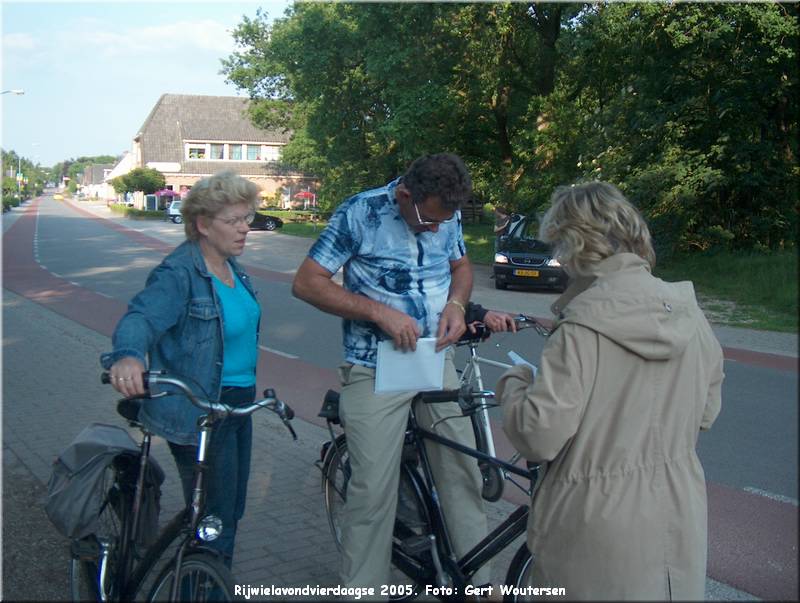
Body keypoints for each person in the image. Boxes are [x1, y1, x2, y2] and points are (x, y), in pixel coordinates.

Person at [497, 181, 724, 600]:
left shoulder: (582, 327)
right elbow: (706, 412)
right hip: (678, 512)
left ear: (573, 244)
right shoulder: (691, 315)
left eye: (558, 248)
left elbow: (538, 436)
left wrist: (515, 383)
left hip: (595, 524)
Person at [292, 153, 491, 595]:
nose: (439, 229)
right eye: (430, 221)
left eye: (448, 220)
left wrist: (457, 304)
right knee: (372, 491)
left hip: (434, 360)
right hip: (374, 366)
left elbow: (460, 266)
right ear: (405, 196)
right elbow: (307, 282)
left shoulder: (444, 213)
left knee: (463, 471)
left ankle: (481, 584)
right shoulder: (359, 212)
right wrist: (378, 312)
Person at [100, 170, 262, 568]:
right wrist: (129, 355)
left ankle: (203, 577)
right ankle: (206, 586)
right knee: (214, 521)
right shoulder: (179, 274)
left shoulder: (232, 268)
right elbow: (142, 317)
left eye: (247, 219)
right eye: (234, 221)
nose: (245, 229)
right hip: (199, 412)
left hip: (238, 405)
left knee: (229, 513)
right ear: (203, 225)